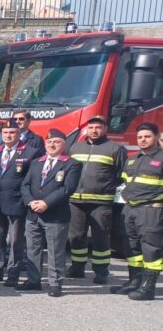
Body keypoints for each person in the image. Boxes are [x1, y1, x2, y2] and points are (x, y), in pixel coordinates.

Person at [19, 130, 82, 297]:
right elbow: (25, 185)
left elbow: (67, 188)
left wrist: (46, 203)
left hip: (55, 215)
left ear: (64, 144)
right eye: (49, 142)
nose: (52, 145)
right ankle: (33, 281)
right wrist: (30, 202)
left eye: (56, 142)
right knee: (32, 250)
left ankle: (55, 284)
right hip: (33, 213)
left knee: (55, 252)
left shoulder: (72, 164)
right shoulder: (36, 162)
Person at [67, 115, 127, 284]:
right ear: (87, 129)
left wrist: (107, 187)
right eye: (91, 127)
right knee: (76, 236)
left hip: (101, 202)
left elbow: (122, 175)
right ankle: (77, 267)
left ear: (105, 129)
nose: (94, 131)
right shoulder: (75, 148)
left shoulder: (115, 149)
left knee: (101, 237)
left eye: (98, 127)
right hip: (76, 201)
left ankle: (101, 271)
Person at [0, 121, 39, 285]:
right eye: (5, 132)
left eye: (12, 132)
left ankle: (13, 274)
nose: (8, 135)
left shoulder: (30, 152)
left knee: (15, 241)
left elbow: (31, 180)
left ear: (19, 133)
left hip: (16, 201)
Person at [112, 123, 162, 300]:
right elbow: (125, 182)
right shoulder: (132, 159)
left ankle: (148, 288)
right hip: (130, 208)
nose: (143, 140)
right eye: (140, 137)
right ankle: (134, 281)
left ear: (157, 137)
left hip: (152, 209)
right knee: (131, 246)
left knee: (151, 248)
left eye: (147, 136)